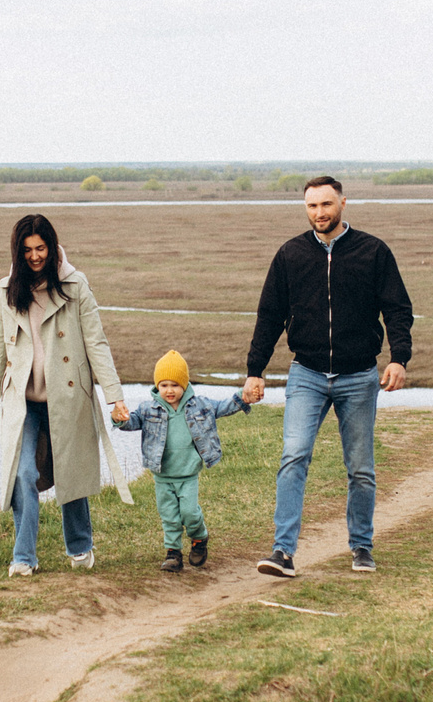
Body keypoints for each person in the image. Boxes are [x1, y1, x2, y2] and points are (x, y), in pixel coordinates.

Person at [241, 176, 414, 577]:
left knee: (360, 467)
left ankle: (362, 547)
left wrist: (398, 358)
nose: (319, 213)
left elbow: (398, 309)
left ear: (343, 203)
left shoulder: (373, 251)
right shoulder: (291, 255)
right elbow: (270, 316)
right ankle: (282, 552)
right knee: (293, 456)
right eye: (312, 206)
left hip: (359, 375)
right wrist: (255, 370)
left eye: (326, 204)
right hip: (307, 374)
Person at [0, 214, 130, 575]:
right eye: (27, 250)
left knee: (71, 469)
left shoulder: (75, 285)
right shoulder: (7, 290)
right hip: (23, 400)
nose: (34, 256)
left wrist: (115, 396)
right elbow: (0, 349)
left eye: (41, 248)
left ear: (52, 246)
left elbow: (96, 341)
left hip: (67, 395)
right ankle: (23, 557)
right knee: (23, 474)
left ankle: (80, 547)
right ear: (18, 251)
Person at [111, 349, 252, 571]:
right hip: (162, 475)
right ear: (157, 386)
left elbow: (222, 407)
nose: (169, 390)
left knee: (189, 512)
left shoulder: (199, 405)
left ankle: (199, 538)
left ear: (184, 385)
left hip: (188, 474)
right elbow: (131, 422)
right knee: (169, 515)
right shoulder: (148, 409)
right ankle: (173, 553)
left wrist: (242, 399)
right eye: (164, 385)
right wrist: (118, 418)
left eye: (175, 385)